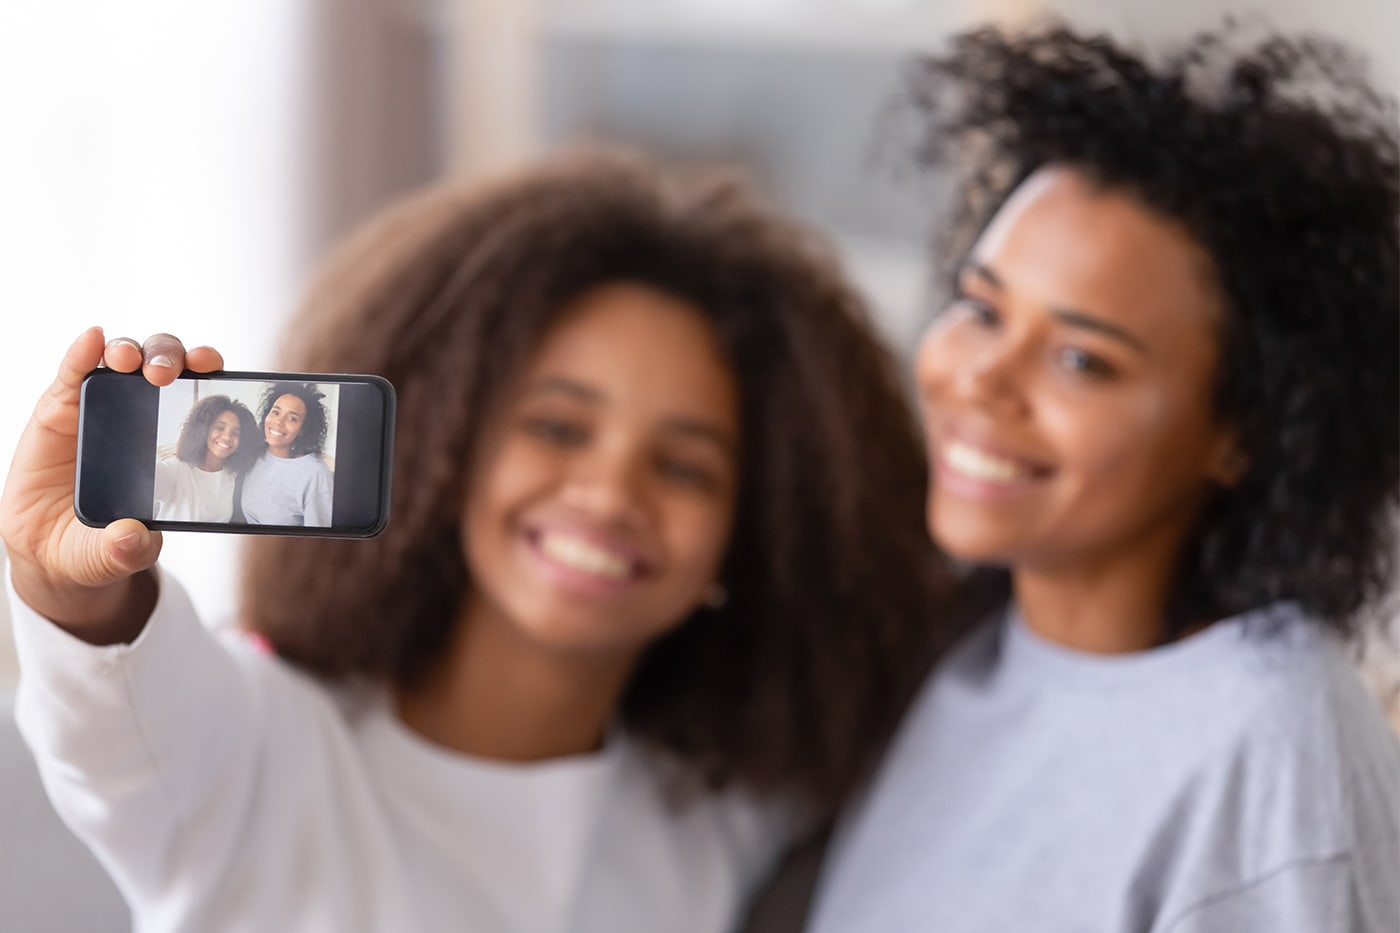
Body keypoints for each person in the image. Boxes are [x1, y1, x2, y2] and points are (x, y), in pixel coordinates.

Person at [1, 151, 960, 932]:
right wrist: (72, 582)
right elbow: (115, 716)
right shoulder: (263, 746)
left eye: (685, 467)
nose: (610, 492)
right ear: (446, 451)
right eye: (558, 427)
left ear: (750, 539)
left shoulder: (717, 821)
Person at [810, 23, 1400, 933]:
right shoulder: (957, 657)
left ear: (1245, 430)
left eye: (1082, 361)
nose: (979, 378)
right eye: (981, 307)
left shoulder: (1268, 740)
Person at [239, 381, 333, 527]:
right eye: (275, 412)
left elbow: (320, 539)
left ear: (303, 429)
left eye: (292, 418)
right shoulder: (253, 456)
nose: (278, 422)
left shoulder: (314, 473)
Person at [152, 394, 258, 523]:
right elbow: (139, 480)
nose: (227, 437)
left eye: (235, 433)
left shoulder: (233, 475)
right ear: (203, 429)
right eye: (220, 428)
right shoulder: (177, 469)